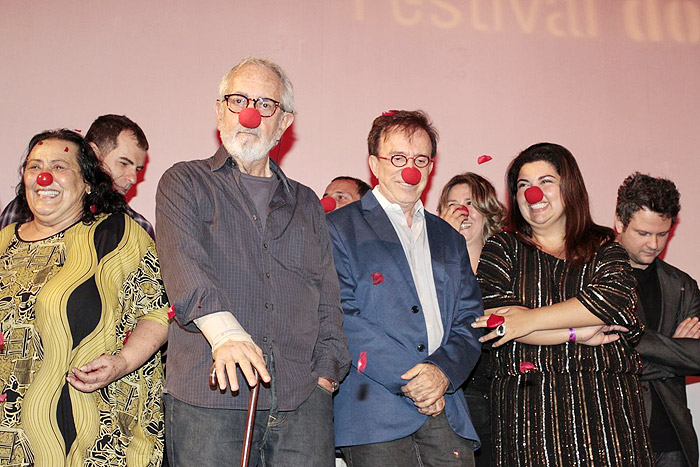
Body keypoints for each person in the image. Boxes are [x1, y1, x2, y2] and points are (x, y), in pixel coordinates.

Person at [156, 57, 350, 466]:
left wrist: (326, 376)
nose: (249, 114)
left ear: (283, 123)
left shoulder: (307, 202)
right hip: (209, 399)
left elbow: (327, 295)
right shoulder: (183, 182)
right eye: (238, 100)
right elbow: (185, 267)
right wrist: (226, 335)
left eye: (266, 104)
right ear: (219, 111)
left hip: (302, 403)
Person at [473, 142, 653, 466]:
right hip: (528, 413)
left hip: (606, 410)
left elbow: (609, 302)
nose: (533, 193)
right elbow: (496, 323)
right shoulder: (502, 247)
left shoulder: (606, 248)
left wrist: (525, 322)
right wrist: (575, 333)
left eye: (545, 181)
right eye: (523, 185)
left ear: (569, 187)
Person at [0, 129, 169, 465]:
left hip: (94, 432)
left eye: (60, 166)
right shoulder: (4, 240)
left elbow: (158, 311)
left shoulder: (119, 235)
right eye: (34, 166)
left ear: (88, 182)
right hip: (12, 437)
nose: (44, 176)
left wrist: (122, 362)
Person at [327, 110, 483, 467]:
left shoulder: (448, 238)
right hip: (374, 413)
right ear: (374, 164)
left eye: (419, 159)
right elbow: (341, 313)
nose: (408, 170)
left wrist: (441, 373)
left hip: (446, 409)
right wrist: (415, 378)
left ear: (431, 166)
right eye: (397, 158)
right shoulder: (339, 228)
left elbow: (469, 318)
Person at [615, 172, 700, 467]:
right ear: (620, 223)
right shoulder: (595, 278)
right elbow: (602, 356)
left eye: (662, 234)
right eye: (643, 233)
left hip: (673, 441)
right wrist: (675, 350)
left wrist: (634, 341)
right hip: (615, 437)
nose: (654, 244)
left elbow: (699, 356)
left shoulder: (682, 284)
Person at [437, 172, 505, 467]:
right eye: (452, 204)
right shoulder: (432, 264)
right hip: (455, 395)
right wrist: (446, 243)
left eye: (470, 203)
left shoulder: (507, 263)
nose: (461, 211)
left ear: (486, 210)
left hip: (501, 396)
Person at [0, 114, 155, 238]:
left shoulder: (137, 227)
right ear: (94, 154)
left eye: (138, 169)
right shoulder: (22, 211)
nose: (132, 178)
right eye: (123, 163)